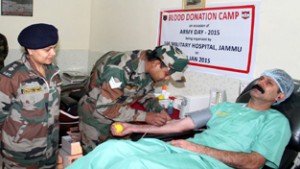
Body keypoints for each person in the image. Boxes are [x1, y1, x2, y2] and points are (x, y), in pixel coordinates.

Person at [67, 68, 294, 169]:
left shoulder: (275, 122)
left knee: (134, 165)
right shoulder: (226, 107)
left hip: (210, 163)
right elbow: (180, 124)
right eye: (261, 78)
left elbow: (254, 163)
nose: (260, 83)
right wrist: (131, 128)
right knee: (111, 150)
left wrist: (198, 149)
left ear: (280, 96)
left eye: (269, 83)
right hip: (182, 149)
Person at [77, 45, 188, 153]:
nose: (167, 78)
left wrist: (158, 110)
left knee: (123, 155)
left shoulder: (148, 67)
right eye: (167, 74)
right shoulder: (118, 70)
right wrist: (146, 117)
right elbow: (105, 107)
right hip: (95, 116)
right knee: (96, 158)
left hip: (121, 113)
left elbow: (146, 94)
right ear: (156, 64)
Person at [0, 23, 61, 168]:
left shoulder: (54, 72)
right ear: (30, 50)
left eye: (54, 47)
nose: (53, 53)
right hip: (21, 154)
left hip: (50, 149)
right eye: (47, 49)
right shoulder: (12, 76)